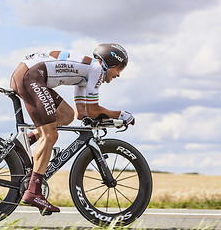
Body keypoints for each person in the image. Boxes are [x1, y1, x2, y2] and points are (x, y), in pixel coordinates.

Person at [10, 43, 135, 213]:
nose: (119, 74)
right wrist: (120, 115)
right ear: (110, 63)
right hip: (31, 76)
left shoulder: (86, 73)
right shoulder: (97, 69)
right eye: (120, 68)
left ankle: (22, 145)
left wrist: (104, 119)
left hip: (29, 74)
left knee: (65, 116)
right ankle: (33, 190)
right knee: (50, 136)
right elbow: (92, 109)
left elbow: (81, 113)